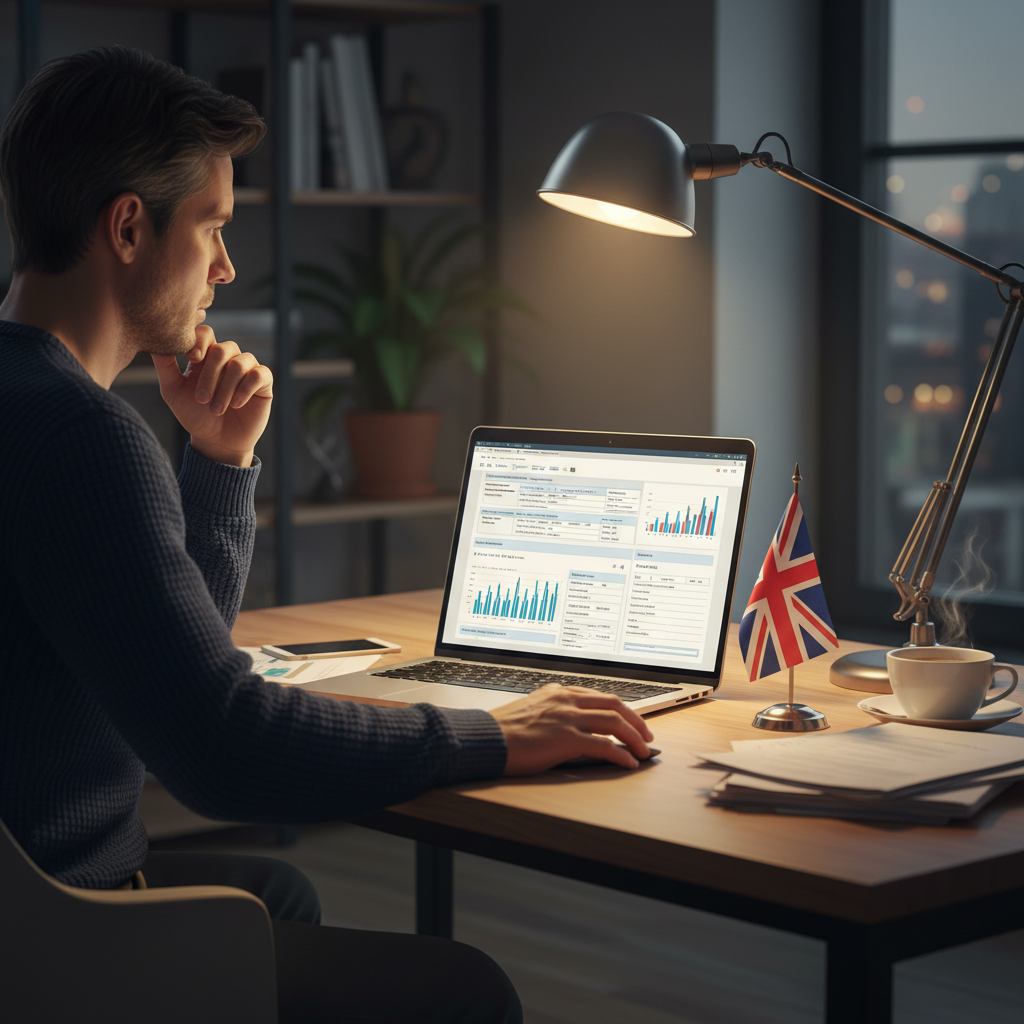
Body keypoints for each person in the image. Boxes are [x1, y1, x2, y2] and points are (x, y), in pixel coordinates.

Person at [0, 47, 654, 1023]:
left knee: (282, 897)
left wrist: (219, 464)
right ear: (129, 227)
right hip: (54, 935)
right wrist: (490, 734)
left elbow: (175, 674)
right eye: (214, 228)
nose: (226, 267)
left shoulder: (29, 403)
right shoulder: (86, 441)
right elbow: (225, 752)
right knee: (465, 991)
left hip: (33, 885)